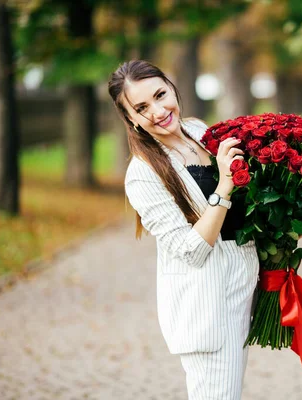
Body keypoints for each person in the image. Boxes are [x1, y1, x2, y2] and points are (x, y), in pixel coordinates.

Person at [108, 59, 259, 399]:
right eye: (142, 108)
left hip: (239, 296)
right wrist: (224, 185)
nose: (159, 111)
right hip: (208, 311)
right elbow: (192, 250)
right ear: (130, 119)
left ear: (172, 87)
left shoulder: (199, 131)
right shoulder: (143, 172)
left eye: (161, 95)